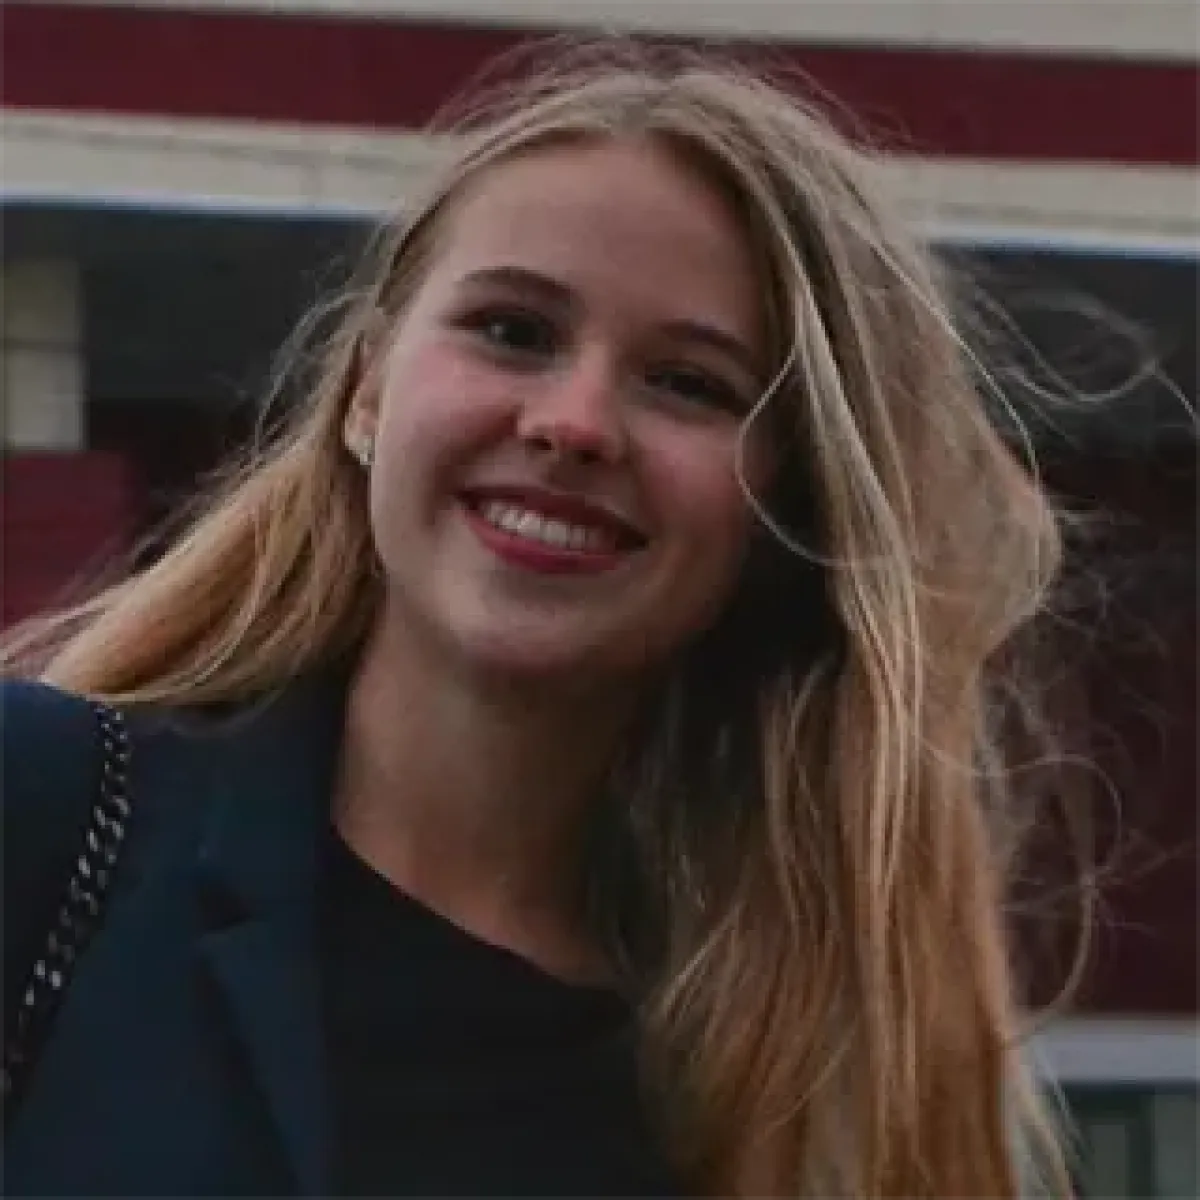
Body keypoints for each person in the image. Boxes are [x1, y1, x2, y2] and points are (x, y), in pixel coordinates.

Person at [0, 39, 1072, 1200]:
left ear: (785, 511)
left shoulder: (787, 1112)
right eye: (513, 331)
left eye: (688, 383)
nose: (575, 423)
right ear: (366, 391)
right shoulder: (47, 819)